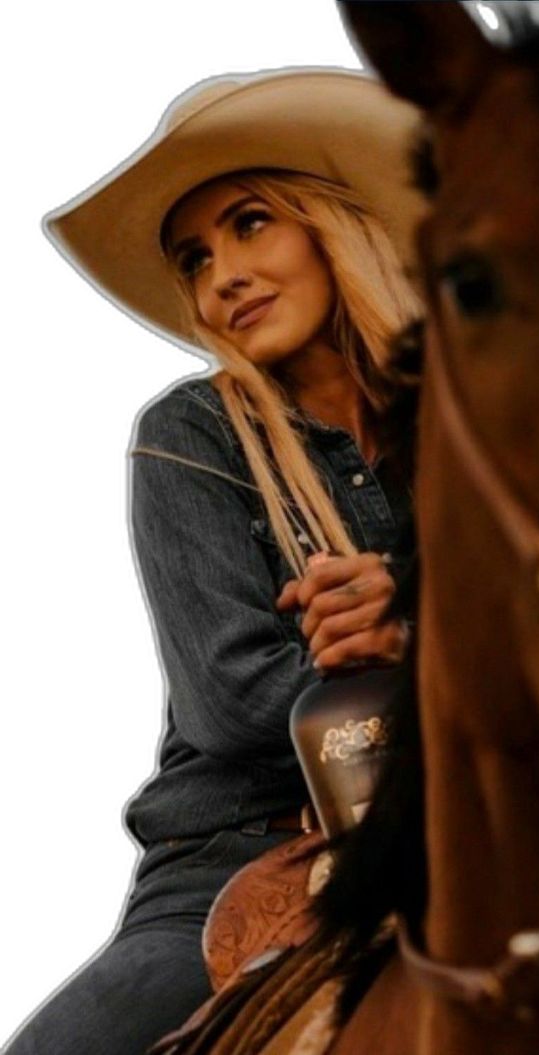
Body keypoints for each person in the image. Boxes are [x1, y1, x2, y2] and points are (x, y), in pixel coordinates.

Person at [3, 68, 425, 1055]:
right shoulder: (190, 435)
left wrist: (419, 626)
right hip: (243, 851)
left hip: (492, 820)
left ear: (332, 224)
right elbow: (229, 701)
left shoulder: (487, 433)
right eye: (194, 257)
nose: (220, 274)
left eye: (248, 223)